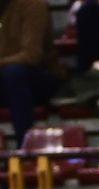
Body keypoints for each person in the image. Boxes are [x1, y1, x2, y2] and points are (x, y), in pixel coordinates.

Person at [0, 0, 59, 144]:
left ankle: (26, 150)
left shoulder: (33, 5)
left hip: (38, 78)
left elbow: (31, 56)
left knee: (13, 75)